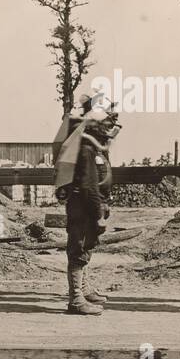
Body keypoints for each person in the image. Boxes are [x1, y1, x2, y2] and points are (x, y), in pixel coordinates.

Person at [64, 107, 118, 316]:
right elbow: (89, 186)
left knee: (86, 247)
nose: (109, 127)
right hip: (83, 207)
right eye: (105, 123)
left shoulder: (92, 148)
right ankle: (76, 299)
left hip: (87, 205)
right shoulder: (86, 149)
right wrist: (97, 214)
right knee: (78, 250)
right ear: (95, 126)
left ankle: (83, 290)